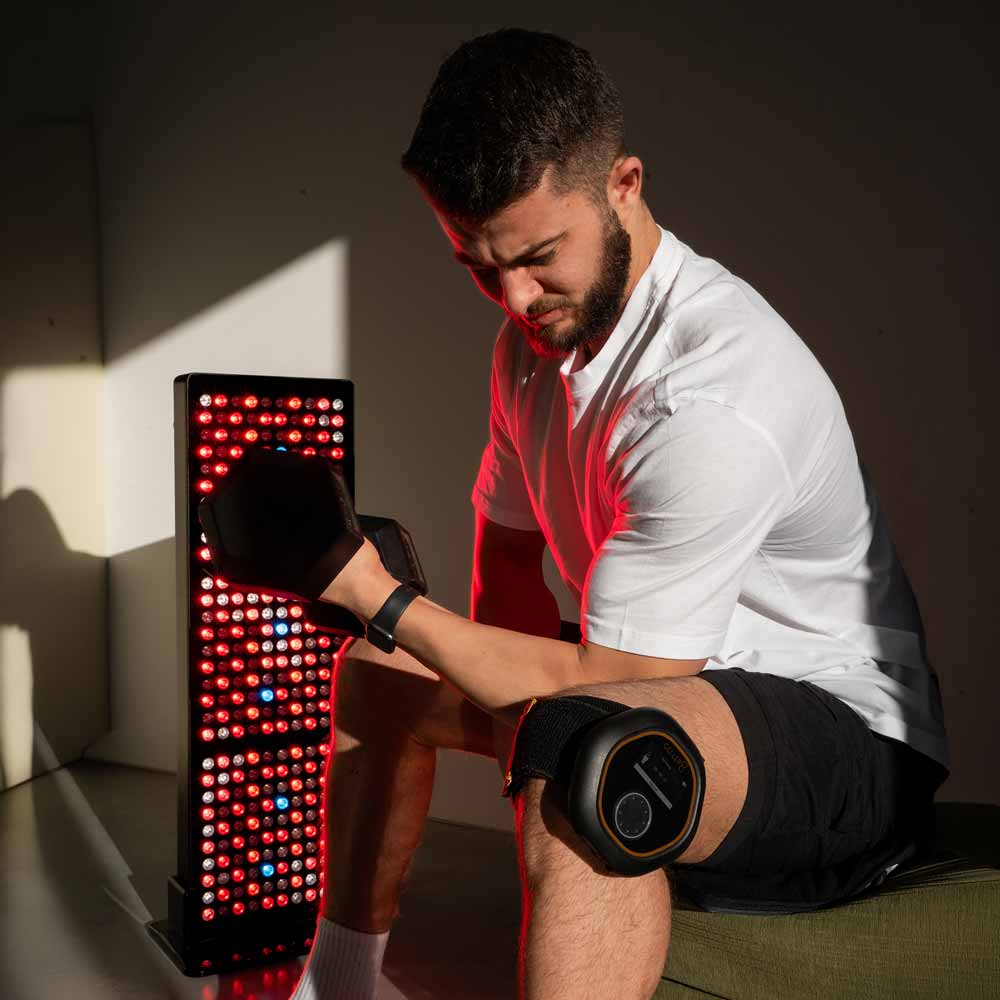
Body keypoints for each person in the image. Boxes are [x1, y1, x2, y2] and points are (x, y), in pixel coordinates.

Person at [289, 27, 950, 1000]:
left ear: (625, 186)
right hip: (668, 685)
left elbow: (616, 685)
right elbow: (507, 587)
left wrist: (378, 594)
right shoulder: (529, 351)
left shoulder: (711, 390)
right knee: (382, 674)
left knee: (591, 746)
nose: (513, 295)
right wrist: (398, 635)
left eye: (538, 256)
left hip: (846, 749)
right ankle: (338, 987)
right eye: (478, 265)